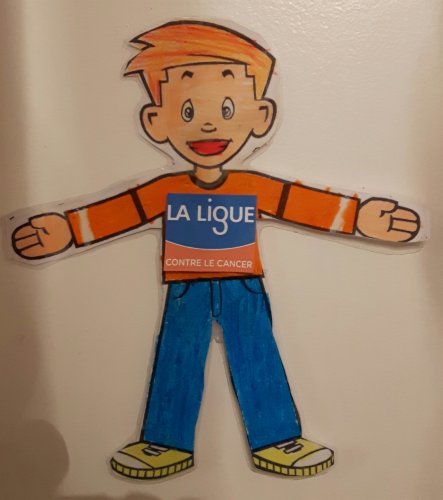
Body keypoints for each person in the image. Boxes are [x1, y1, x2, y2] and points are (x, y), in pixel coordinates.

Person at [11, 21, 421, 480]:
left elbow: (299, 203)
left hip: (243, 285)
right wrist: (68, 229)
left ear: (260, 116)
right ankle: (164, 441)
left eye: (228, 108)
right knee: (176, 355)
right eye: (187, 111)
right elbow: (123, 210)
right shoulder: (166, 188)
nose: (207, 124)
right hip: (185, 288)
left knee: (257, 352)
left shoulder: (251, 186)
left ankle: (277, 437)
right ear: (155, 121)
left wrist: (359, 216)